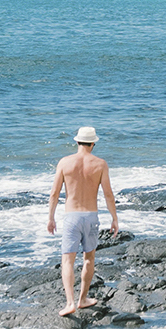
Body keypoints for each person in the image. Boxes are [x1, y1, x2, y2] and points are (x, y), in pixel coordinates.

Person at [46, 125, 119, 318]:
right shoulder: (100, 164)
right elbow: (108, 194)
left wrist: (51, 217)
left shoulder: (65, 162)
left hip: (71, 217)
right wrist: (114, 218)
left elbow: (54, 193)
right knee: (89, 258)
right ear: (93, 143)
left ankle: (70, 302)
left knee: (67, 261)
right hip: (91, 216)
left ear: (77, 141)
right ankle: (83, 299)